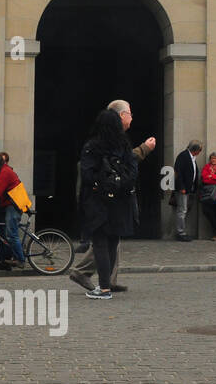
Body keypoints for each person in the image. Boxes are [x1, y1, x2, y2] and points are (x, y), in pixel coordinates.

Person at [69, 99, 155, 292]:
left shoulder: (104, 143)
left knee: (108, 241)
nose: (132, 117)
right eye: (130, 113)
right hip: (109, 199)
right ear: (120, 116)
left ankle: (107, 282)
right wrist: (144, 149)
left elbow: (96, 171)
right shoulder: (111, 144)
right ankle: (100, 281)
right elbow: (124, 167)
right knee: (104, 242)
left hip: (108, 198)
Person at [77, 108, 140, 299]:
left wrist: (101, 186)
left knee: (100, 243)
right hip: (120, 200)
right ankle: (107, 285)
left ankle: (103, 288)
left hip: (98, 200)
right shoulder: (124, 146)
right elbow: (133, 172)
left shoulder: (92, 146)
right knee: (112, 242)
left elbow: (87, 174)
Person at [0, 152, 28, 268]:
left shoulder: (5, 172)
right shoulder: (4, 170)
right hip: (12, 203)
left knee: (11, 234)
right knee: (10, 233)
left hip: (14, 205)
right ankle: (16, 256)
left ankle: (20, 259)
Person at [173, 139, 203, 241]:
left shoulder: (192, 157)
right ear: (196, 150)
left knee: (184, 210)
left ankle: (182, 231)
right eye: (200, 150)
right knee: (182, 210)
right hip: (183, 189)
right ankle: (180, 232)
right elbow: (178, 172)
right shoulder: (183, 156)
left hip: (189, 189)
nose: (200, 153)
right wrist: (181, 187)